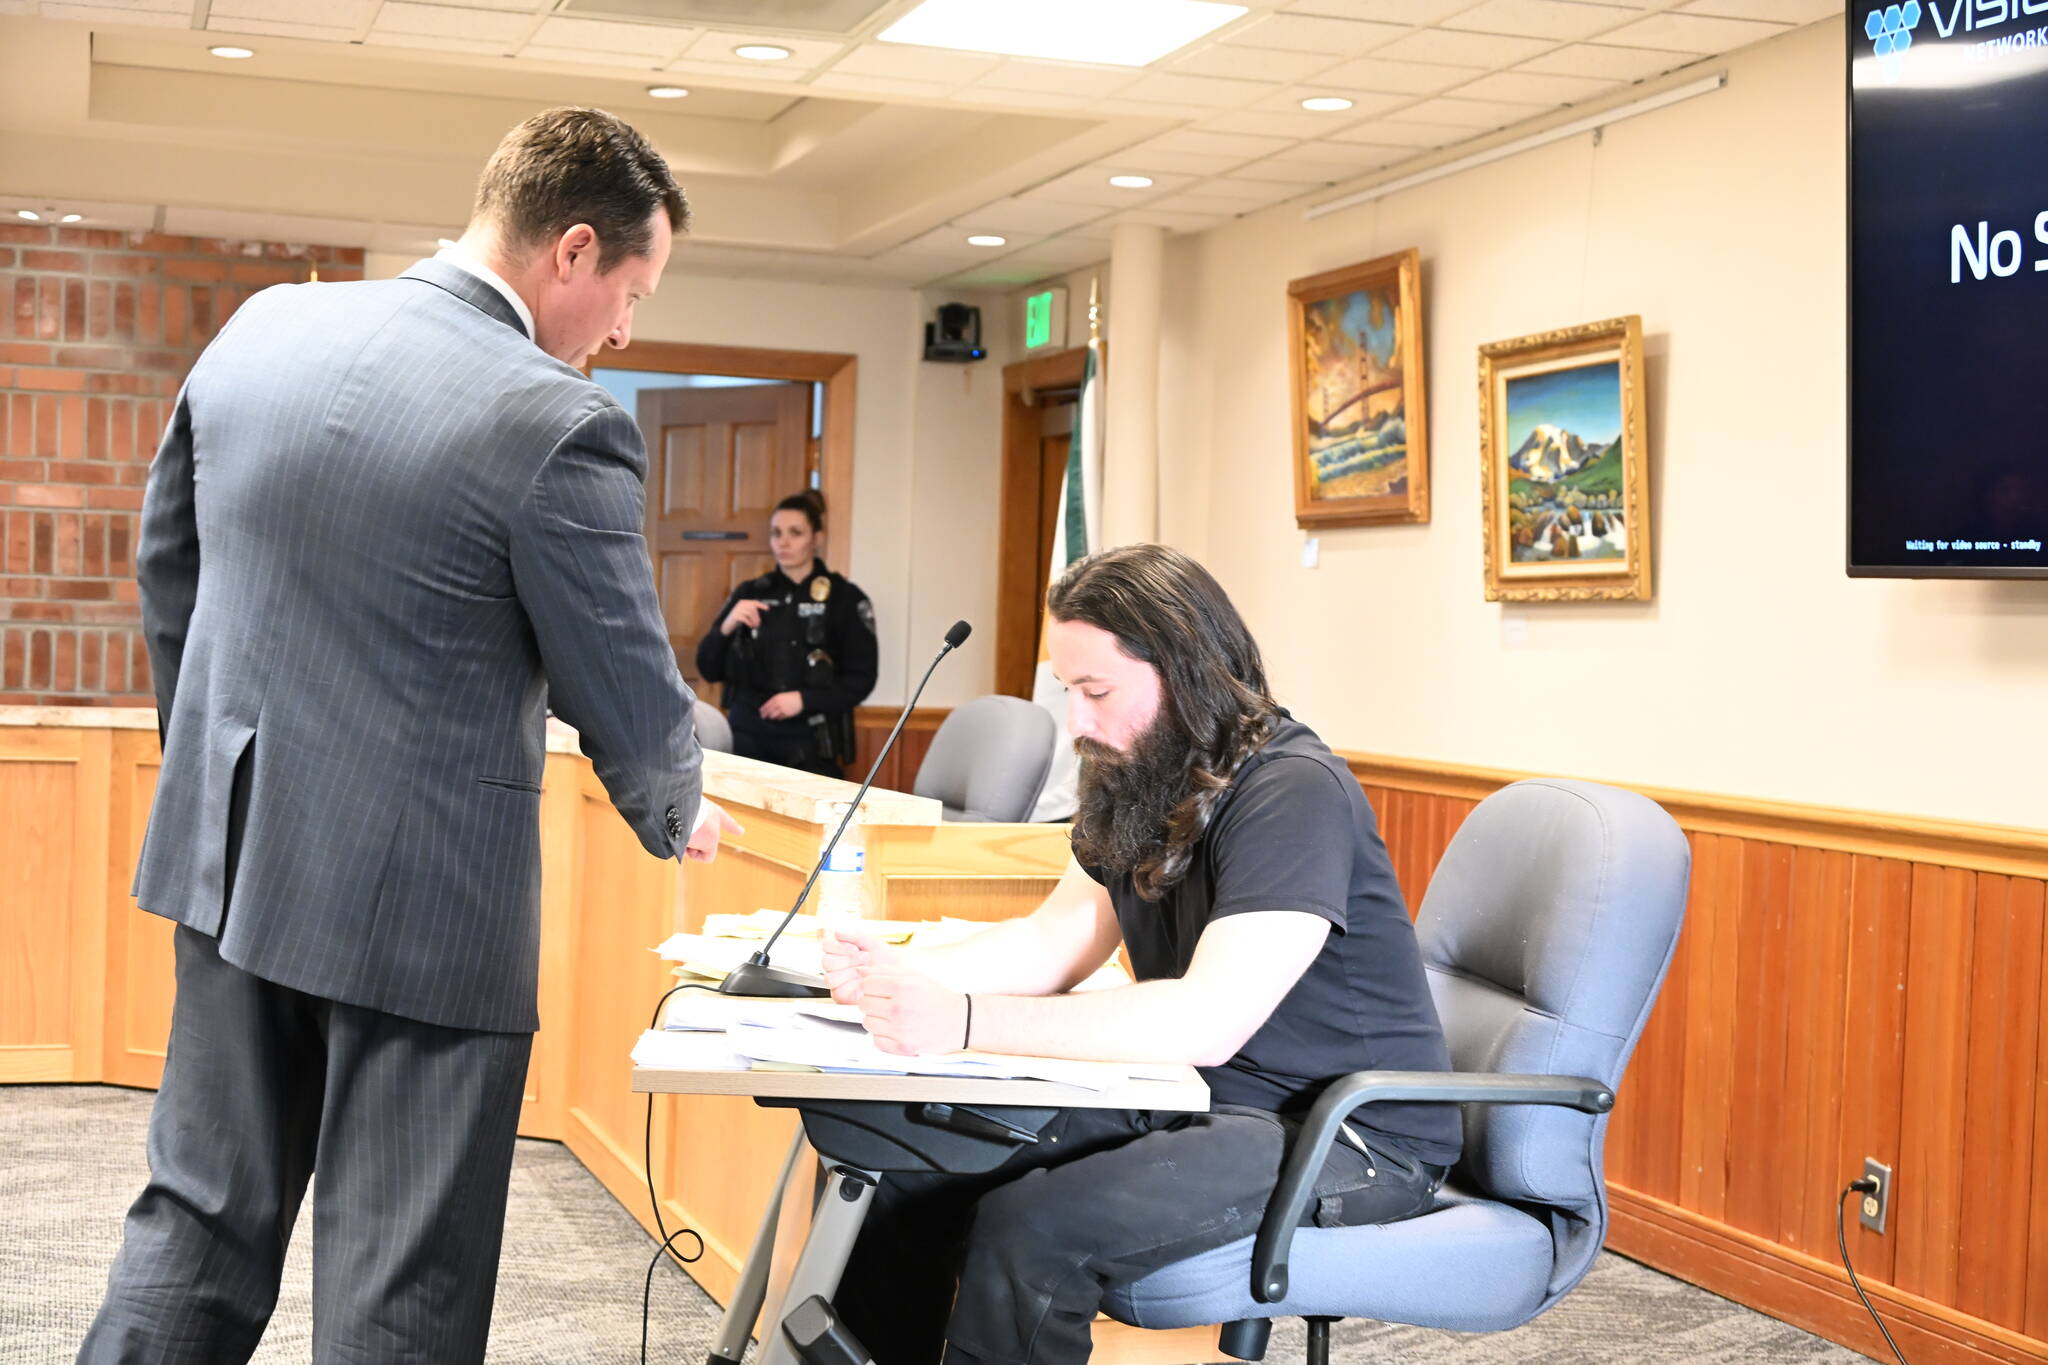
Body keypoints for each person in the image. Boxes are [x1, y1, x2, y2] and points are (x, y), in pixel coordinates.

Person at [77, 107, 740, 1365]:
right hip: (423, 913)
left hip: (233, 867)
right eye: (631, 293)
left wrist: (221, 777)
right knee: (402, 1284)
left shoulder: (264, 327)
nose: (624, 330)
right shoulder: (554, 419)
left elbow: (170, 573)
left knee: (198, 1223)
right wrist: (673, 801)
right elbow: (621, 669)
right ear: (575, 252)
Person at [821, 543, 1462, 1365]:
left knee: (1034, 1230)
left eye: (1096, 692)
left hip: (1344, 1131)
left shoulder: (1292, 790)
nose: (1077, 724)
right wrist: (893, 975)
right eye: (1068, 694)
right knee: (911, 1163)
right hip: (1204, 1095)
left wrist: (963, 1020)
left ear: (1183, 668)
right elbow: (1053, 941)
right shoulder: (1136, 773)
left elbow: (1208, 1018)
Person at [695, 489, 877, 776]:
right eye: (776, 533)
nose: (784, 542)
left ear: (817, 538)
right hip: (747, 744)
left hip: (811, 744)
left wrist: (802, 700)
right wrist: (727, 625)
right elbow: (708, 667)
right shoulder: (750, 593)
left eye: (796, 533)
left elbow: (862, 678)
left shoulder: (845, 599)